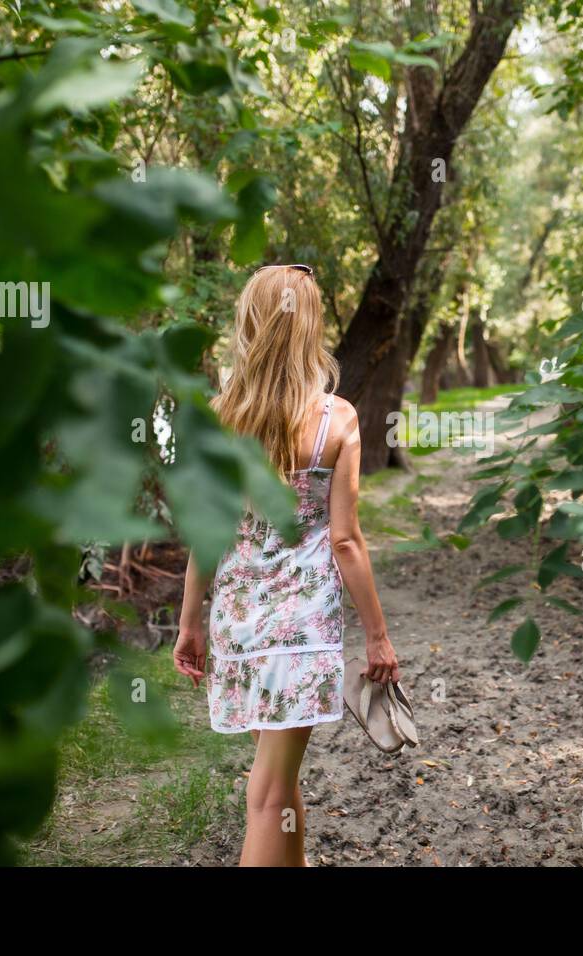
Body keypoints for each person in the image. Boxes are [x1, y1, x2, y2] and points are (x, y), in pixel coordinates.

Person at [173, 264, 399, 867]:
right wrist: (377, 636)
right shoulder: (337, 419)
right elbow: (346, 542)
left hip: (240, 625)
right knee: (271, 791)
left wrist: (190, 624)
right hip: (300, 629)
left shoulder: (220, 416)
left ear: (251, 322)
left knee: (279, 781)